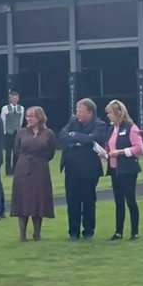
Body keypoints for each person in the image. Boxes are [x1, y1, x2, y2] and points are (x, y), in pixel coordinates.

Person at [58, 98, 109, 240]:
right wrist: (80, 139)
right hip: (71, 169)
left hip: (89, 170)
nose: (77, 114)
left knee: (88, 201)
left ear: (90, 112)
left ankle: (88, 231)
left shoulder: (99, 124)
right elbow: (62, 135)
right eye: (77, 111)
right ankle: (73, 232)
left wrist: (74, 136)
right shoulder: (73, 121)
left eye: (80, 112)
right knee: (72, 201)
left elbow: (93, 139)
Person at [11, 105, 57, 241]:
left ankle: (37, 233)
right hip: (23, 168)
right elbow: (16, 150)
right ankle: (22, 234)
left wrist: (40, 160)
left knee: (39, 199)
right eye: (27, 116)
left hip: (40, 169)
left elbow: (51, 152)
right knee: (23, 200)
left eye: (32, 116)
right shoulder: (22, 133)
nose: (28, 119)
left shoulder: (48, 133)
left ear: (39, 117)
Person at [104, 99, 143, 241]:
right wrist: (105, 153)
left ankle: (135, 232)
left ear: (118, 113)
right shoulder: (111, 129)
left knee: (130, 200)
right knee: (118, 201)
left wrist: (121, 152)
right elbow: (110, 147)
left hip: (127, 169)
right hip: (115, 169)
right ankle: (118, 232)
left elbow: (139, 148)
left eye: (110, 113)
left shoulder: (130, 127)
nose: (108, 116)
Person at [1, 91, 25, 175]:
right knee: (8, 152)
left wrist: (19, 130)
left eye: (16, 98)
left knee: (16, 151)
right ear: (10, 99)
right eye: (13, 98)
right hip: (8, 132)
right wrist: (4, 131)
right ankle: (8, 171)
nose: (14, 99)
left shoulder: (21, 108)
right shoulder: (5, 108)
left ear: (18, 99)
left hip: (17, 132)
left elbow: (21, 120)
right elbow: (3, 120)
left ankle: (15, 169)